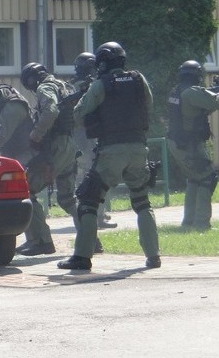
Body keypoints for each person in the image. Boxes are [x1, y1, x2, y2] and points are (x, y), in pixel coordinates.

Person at [58, 42, 161, 270]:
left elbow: (78, 116)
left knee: (88, 202)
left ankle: (82, 257)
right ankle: (153, 256)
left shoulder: (100, 85)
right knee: (142, 202)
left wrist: (87, 98)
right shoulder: (138, 79)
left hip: (111, 150)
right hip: (138, 148)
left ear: (102, 62)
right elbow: (148, 105)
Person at [15, 62, 87, 256]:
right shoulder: (64, 85)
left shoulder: (45, 87)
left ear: (31, 79)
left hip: (54, 146)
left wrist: (35, 135)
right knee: (68, 198)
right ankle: (90, 239)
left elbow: (51, 110)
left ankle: (42, 241)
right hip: (69, 145)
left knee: (25, 192)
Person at [167, 60, 219, 231]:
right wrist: (218, 93)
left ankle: (188, 222)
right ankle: (201, 223)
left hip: (177, 141)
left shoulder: (177, 91)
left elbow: (193, 111)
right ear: (197, 75)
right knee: (208, 179)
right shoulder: (192, 92)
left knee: (195, 179)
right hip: (189, 143)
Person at [70, 52, 117, 229]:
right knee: (94, 175)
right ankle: (95, 216)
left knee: (85, 176)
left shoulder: (74, 85)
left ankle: (93, 214)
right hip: (86, 136)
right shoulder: (85, 86)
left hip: (81, 136)